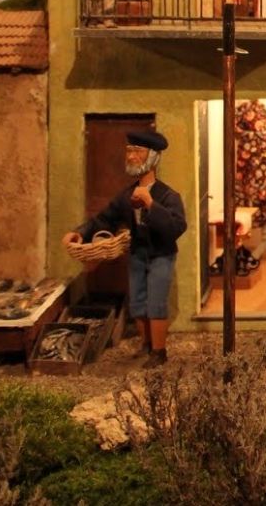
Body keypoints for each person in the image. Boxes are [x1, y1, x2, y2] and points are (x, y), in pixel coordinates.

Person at [63, 128, 186, 366]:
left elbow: (176, 228)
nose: (131, 156)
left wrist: (150, 204)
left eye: (137, 151)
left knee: (156, 301)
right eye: (129, 151)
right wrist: (80, 232)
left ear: (153, 157)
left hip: (161, 255)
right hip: (138, 253)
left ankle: (159, 352)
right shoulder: (126, 195)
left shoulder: (168, 196)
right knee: (138, 301)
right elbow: (105, 219)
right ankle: (146, 344)